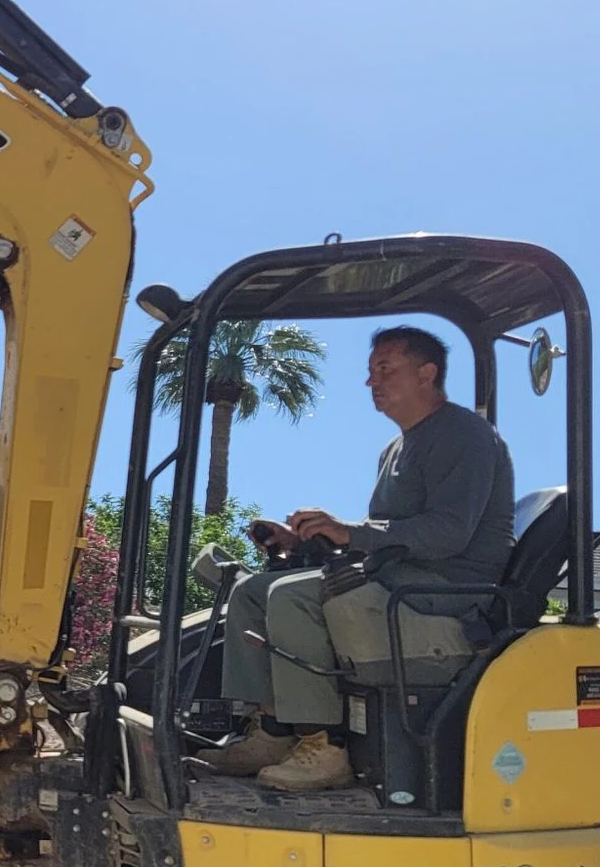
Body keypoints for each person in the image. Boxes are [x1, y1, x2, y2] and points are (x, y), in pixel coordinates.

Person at [196, 325, 515, 792]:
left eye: (385, 369)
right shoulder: (397, 448)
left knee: (294, 598)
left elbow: (448, 534)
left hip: (442, 592)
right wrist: (306, 541)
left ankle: (325, 746)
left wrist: (349, 531)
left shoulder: (464, 436)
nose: (372, 382)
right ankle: (273, 730)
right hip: (398, 575)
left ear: (427, 373)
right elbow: (385, 538)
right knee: (251, 591)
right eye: (370, 372)